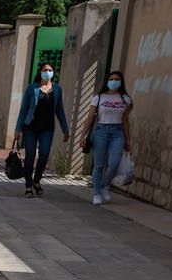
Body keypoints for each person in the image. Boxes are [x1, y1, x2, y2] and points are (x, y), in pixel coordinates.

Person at [13, 61, 70, 198]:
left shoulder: (57, 89)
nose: (47, 72)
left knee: (44, 155)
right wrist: (18, 129)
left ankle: (36, 180)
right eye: (45, 70)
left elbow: (60, 111)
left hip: (47, 128)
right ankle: (28, 186)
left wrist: (65, 129)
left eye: (50, 70)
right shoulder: (31, 88)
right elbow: (23, 109)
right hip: (30, 127)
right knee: (30, 155)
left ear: (53, 73)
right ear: (40, 72)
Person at [82, 69, 132, 205]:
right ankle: (97, 193)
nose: (114, 82)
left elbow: (126, 121)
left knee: (114, 163)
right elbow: (89, 117)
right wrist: (83, 135)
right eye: (111, 79)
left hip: (118, 132)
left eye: (117, 80)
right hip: (101, 131)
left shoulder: (125, 99)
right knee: (99, 165)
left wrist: (128, 139)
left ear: (121, 82)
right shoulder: (98, 97)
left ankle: (105, 185)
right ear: (107, 81)